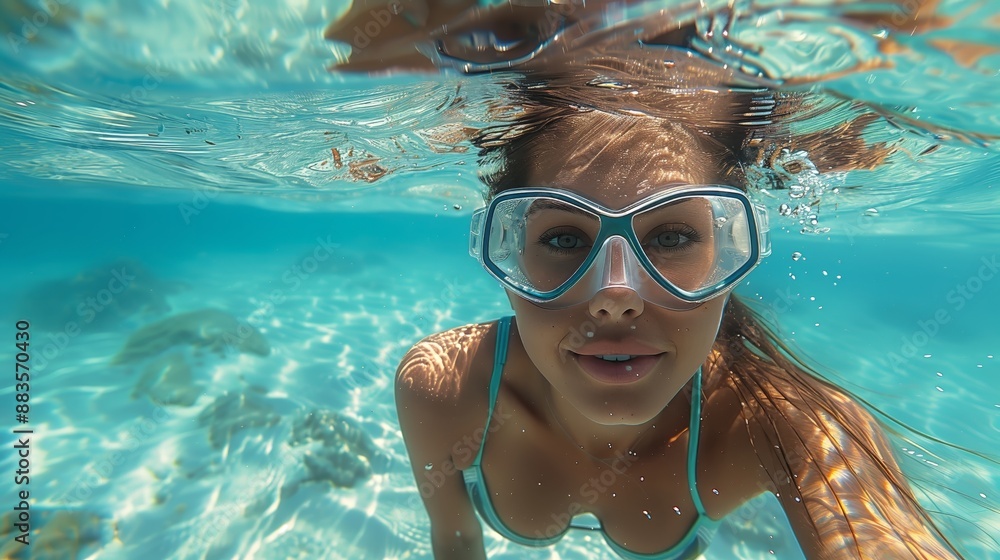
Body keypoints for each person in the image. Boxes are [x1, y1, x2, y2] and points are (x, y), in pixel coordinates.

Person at [392, 43, 962, 560]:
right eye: (564, 239)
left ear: (732, 253)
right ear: (508, 256)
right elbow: (456, 543)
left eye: (671, 239)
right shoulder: (441, 387)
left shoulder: (787, 427)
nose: (616, 298)